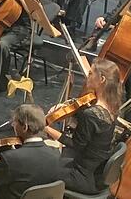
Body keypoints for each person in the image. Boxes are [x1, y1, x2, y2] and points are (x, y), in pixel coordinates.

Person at [44, 60, 121, 194]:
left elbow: (74, 145)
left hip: (81, 176)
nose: (87, 77)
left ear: (102, 79)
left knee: (39, 169)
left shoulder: (91, 115)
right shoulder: (112, 108)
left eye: (91, 74)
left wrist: (45, 127)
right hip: (95, 175)